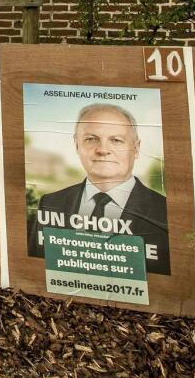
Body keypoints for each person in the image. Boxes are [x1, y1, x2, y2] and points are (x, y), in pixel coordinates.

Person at [27, 103, 170, 275]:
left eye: (116, 140)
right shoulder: (50, 203)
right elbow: (37, 268)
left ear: (136, 148)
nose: (102, 150)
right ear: (77, 145)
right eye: (91, 139)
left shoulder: (165, 211)